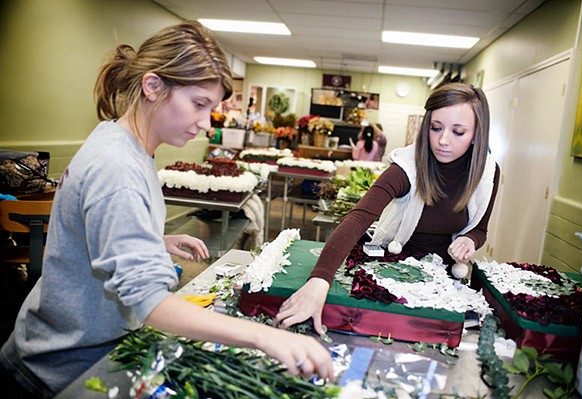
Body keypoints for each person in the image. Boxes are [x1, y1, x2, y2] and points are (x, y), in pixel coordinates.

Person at [0, 21, 333, 398]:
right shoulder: (118, 168)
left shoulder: (125, 142)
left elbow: (96, 227)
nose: (206, 123)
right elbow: (153, 305)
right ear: (153, 86)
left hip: (75, 349)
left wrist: (152, 239)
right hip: (55, 369)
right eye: (198, 104)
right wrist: (265, 338)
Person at [274, 82, 500, 335]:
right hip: (391, 271)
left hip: (442, 278)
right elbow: (359, 217)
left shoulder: (487, 174)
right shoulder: (406, 167)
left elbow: (480, 229)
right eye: (436, 128)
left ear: (476, 135)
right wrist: (319, 280)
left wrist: (470, 239)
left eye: (458, 132)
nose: (443, 141)